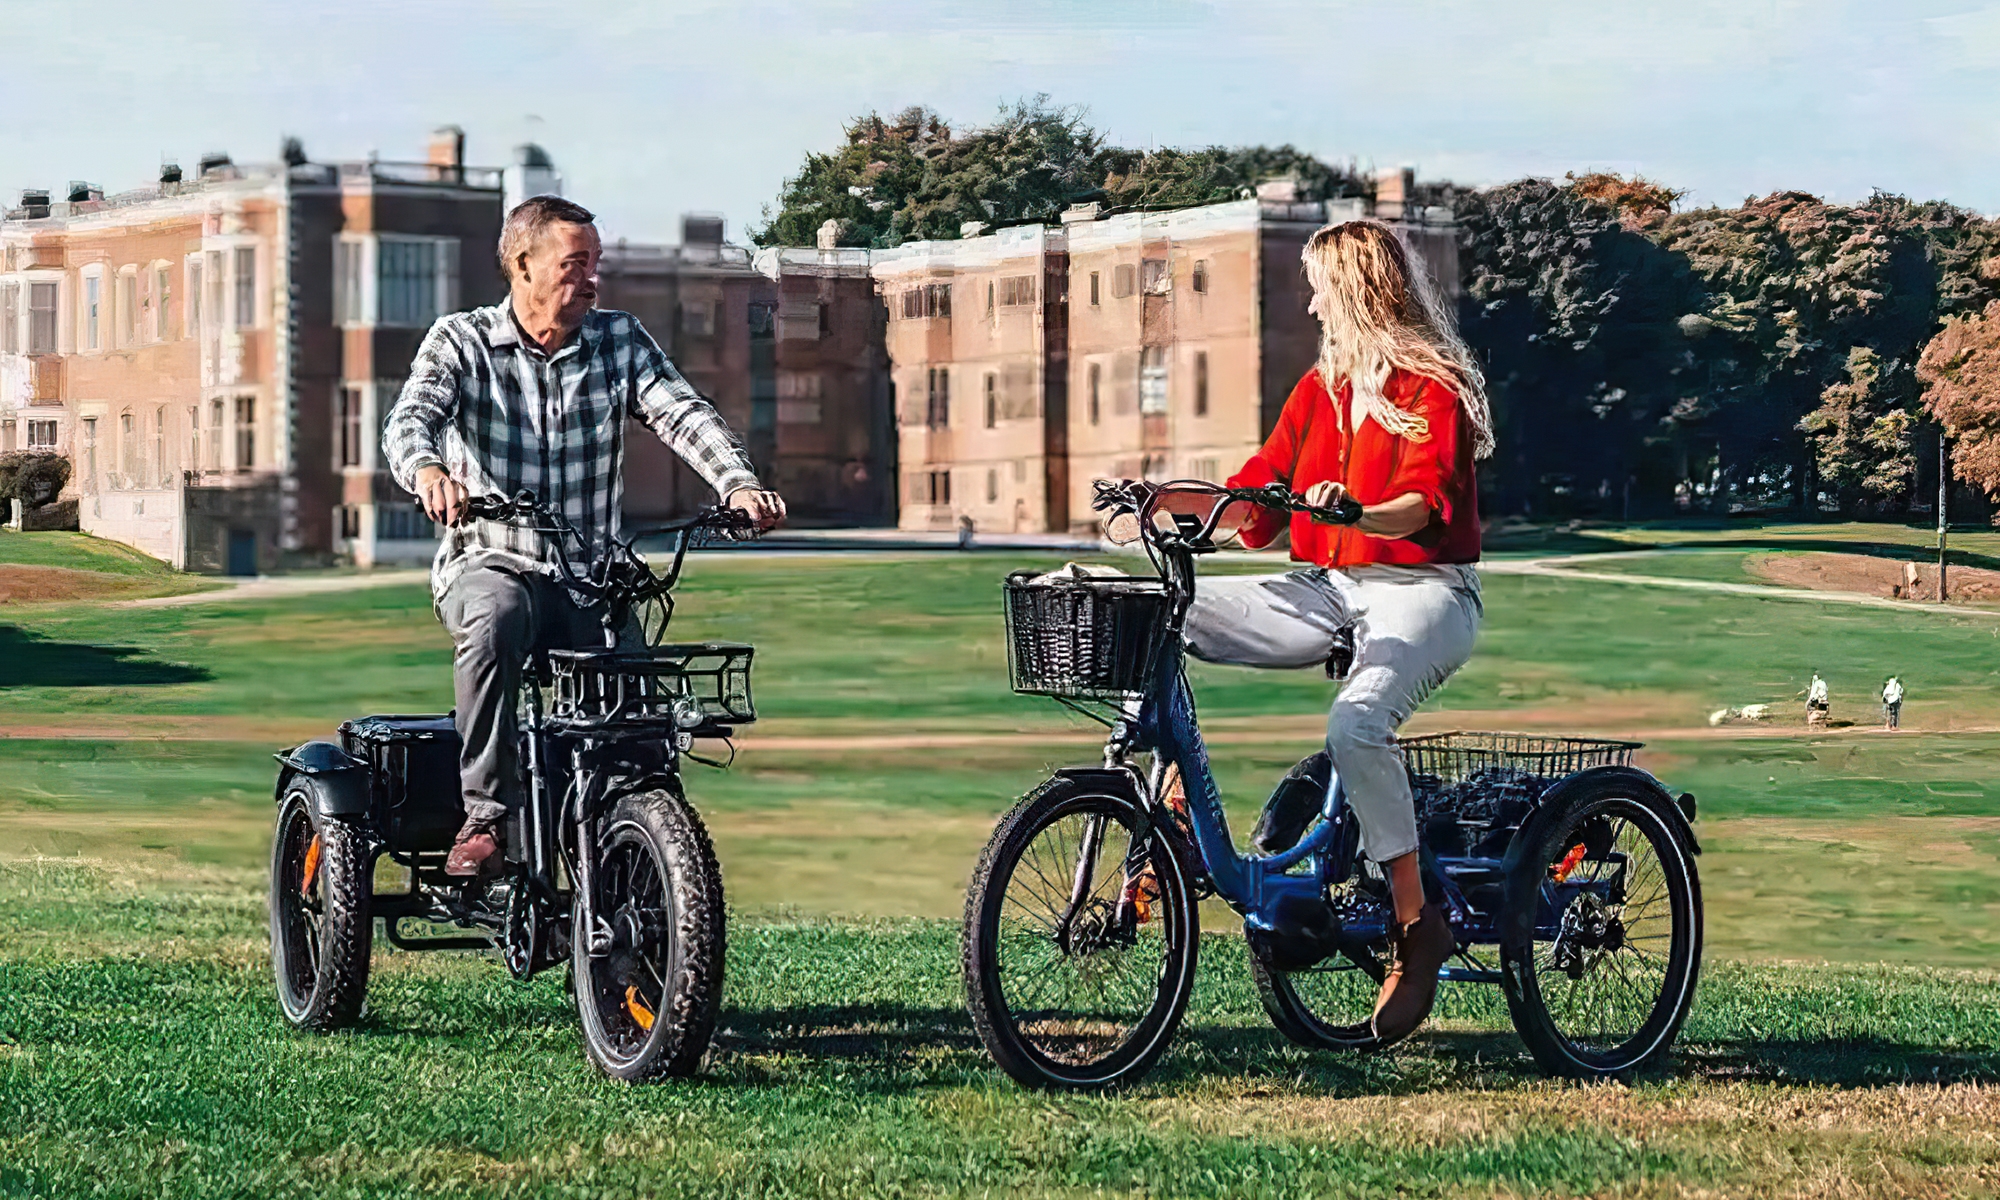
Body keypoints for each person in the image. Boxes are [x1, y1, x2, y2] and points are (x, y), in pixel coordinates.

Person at [383, 195, 786, 877]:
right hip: (491, 561)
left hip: (589, 579)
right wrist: (426, 471)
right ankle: (487, 815)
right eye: (575, 264)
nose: (592, 279)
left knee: (636, 717)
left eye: (596, 263)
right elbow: (409, 418)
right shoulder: (461, 341)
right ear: (522, 264)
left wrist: (737, 484)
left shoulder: (617, 340)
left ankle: (641, 848)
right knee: (496, 619)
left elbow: (681, 412)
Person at [1180, 219, 1491, 1044]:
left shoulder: (1432, 389)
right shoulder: (1319, 390)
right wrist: (1171, 512)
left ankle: (1417, 924)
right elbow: (1257, 489)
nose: (1310, 303)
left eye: (1319, 285)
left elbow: (1421, 503)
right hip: (1330, 587)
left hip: (1423, 591)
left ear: (1354, 290)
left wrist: (1355, 508)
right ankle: (1162, 818)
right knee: (1161, 612)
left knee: (1356, 726)